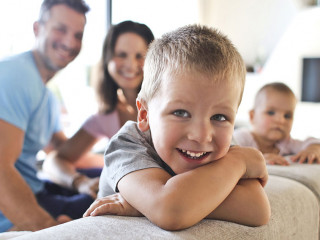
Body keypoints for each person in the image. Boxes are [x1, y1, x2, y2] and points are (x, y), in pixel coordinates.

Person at [83, 24, 271, 230]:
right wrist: (240, 162)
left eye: (219, 116)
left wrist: (147, 206)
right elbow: (169, 211)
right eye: (181, 113)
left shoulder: (218, 146)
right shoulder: (126, 146)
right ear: (144, 114)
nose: (202, 135)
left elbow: (257, 209)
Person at [0, 0, 92, 232]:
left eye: (78, 35)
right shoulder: (16, 75)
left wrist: (102, 125)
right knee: (109, 204)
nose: (70, 42)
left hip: (37, 188)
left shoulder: (46, 94)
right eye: (60, 29)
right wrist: (46, 227)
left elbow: (60, 149)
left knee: (111, 184)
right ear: (37, 29)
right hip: (14, 207)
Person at [42, 21, 155, 198]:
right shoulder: (107, 116)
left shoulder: (167, 105)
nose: (130, 64)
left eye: (139, 55)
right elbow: (54, 160)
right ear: (108, 59)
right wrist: (80, 181)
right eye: (121, 54)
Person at [233, 82, 320, 165]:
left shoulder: (286, 142)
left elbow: (312, 142)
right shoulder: (242, 137)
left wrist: (313, 149)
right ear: (252, 116)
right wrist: (258, 159)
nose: (280, 120)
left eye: (287, 116)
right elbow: (230, 155)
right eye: (271, 113)